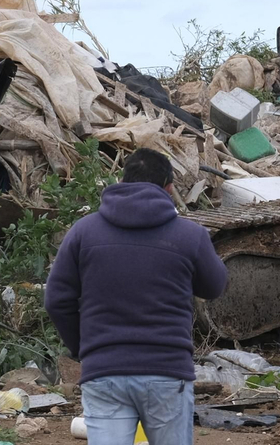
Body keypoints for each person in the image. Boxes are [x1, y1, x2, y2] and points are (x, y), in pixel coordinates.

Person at [44, 148, 227, 445]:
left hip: (104, 372)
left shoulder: (83, 232)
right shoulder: (189, 236)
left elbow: (56, 299)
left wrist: (84, 348)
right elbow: (215, 286)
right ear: (168, 188)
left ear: (123, 181)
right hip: (167, 372)